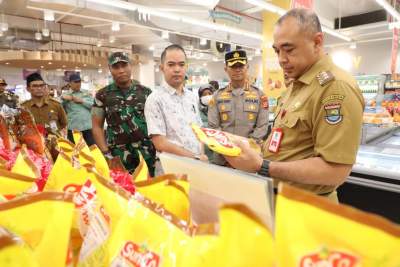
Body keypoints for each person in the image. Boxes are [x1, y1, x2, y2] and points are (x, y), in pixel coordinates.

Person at [224, 8, 364, 202]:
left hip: (309, 207)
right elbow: (286, 143)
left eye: (289, 50)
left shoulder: (335, 88)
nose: (281, 59)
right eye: (277, 50)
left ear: (317, 42)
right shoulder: (297, 84)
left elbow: (336, 170)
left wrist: (263, 166)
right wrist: (250, 148)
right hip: (280, 199)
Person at [144, 44, 206, 175]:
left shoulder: (192, 97)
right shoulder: (155, 99)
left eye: (181, 64)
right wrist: (194, 158)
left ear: (186, 67)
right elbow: (160, 143)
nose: (177, 69)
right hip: (171, 172)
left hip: (197, 168)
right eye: (171, 64)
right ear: (162, 68)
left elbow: (199, 132)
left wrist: (202, 155)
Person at [91, 52, 156, 175]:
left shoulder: (146, 92)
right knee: (122, 190)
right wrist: (106, 153)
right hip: (118, 154)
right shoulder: (102, 95)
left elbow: (156, 122)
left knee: (148, 187)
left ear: (130, 66)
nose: (121, 70)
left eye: (124, 65)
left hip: (146, 151)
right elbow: (97, 126)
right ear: (110, 69)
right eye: (116, 67)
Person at [208, 50, 269, 165]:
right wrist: (228, 149)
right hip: (223, 158)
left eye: (241, 65)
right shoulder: (217, 96)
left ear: (247, 67)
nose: (237, 69)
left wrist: (245, 148)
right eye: (233, 66)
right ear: (226, 69)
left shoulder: (260, 96)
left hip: (250, 157)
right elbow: (213, 126)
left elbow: (262, 126)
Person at [62, 73, 95, 146]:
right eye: (75, 82)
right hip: (74, 128)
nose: (78, 84)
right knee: (75, 151)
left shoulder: (86, 93)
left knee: (92, 150)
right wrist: (64, 99)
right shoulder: (65, 95)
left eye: (79, 81)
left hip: (88, 127)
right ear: (70, 83)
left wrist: (82, 101)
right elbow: (59, 107)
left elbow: (94, 106)